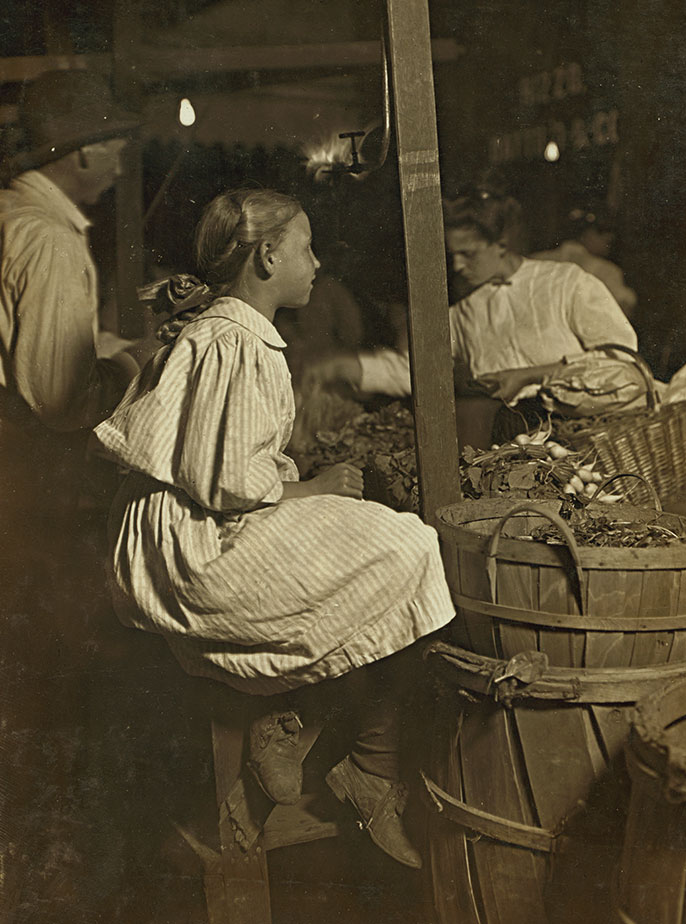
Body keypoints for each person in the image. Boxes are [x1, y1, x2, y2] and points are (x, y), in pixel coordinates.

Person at [93, 188, 456, 868]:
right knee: (411, 546)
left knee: (368, 538)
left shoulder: (225, 328)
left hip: (180, 528)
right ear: (267, 256)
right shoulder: (234, 340)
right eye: (306, 248)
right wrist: (309, 487)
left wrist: (304, 491)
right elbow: (227, 480)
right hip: (193, 548)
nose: (316, 263)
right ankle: (360, 760)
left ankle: (291, 726)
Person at [305, 188, 637, 445]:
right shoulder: (463, 312)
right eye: (453, 255)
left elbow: (622, 363)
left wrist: (528, 376)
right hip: (519, 444)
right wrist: (351, 367)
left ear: (502, 244)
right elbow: (417, 370)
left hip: (595, 440)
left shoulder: (565, 283)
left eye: (469, 254)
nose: (458, 266)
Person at [0, 69, 155, 564]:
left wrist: (102, 342)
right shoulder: (51, 241)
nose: (121, 168)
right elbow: (59, 400)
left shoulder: (10, 214)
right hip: (25, 470)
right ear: (87, 151)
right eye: (117, 150)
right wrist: (137, 360)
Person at [532, 205, 638, 318]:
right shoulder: (606, 271)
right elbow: (622, 313)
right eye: (601, 230)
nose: (610, 237)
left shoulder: (535, 260)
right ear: (583, 233)